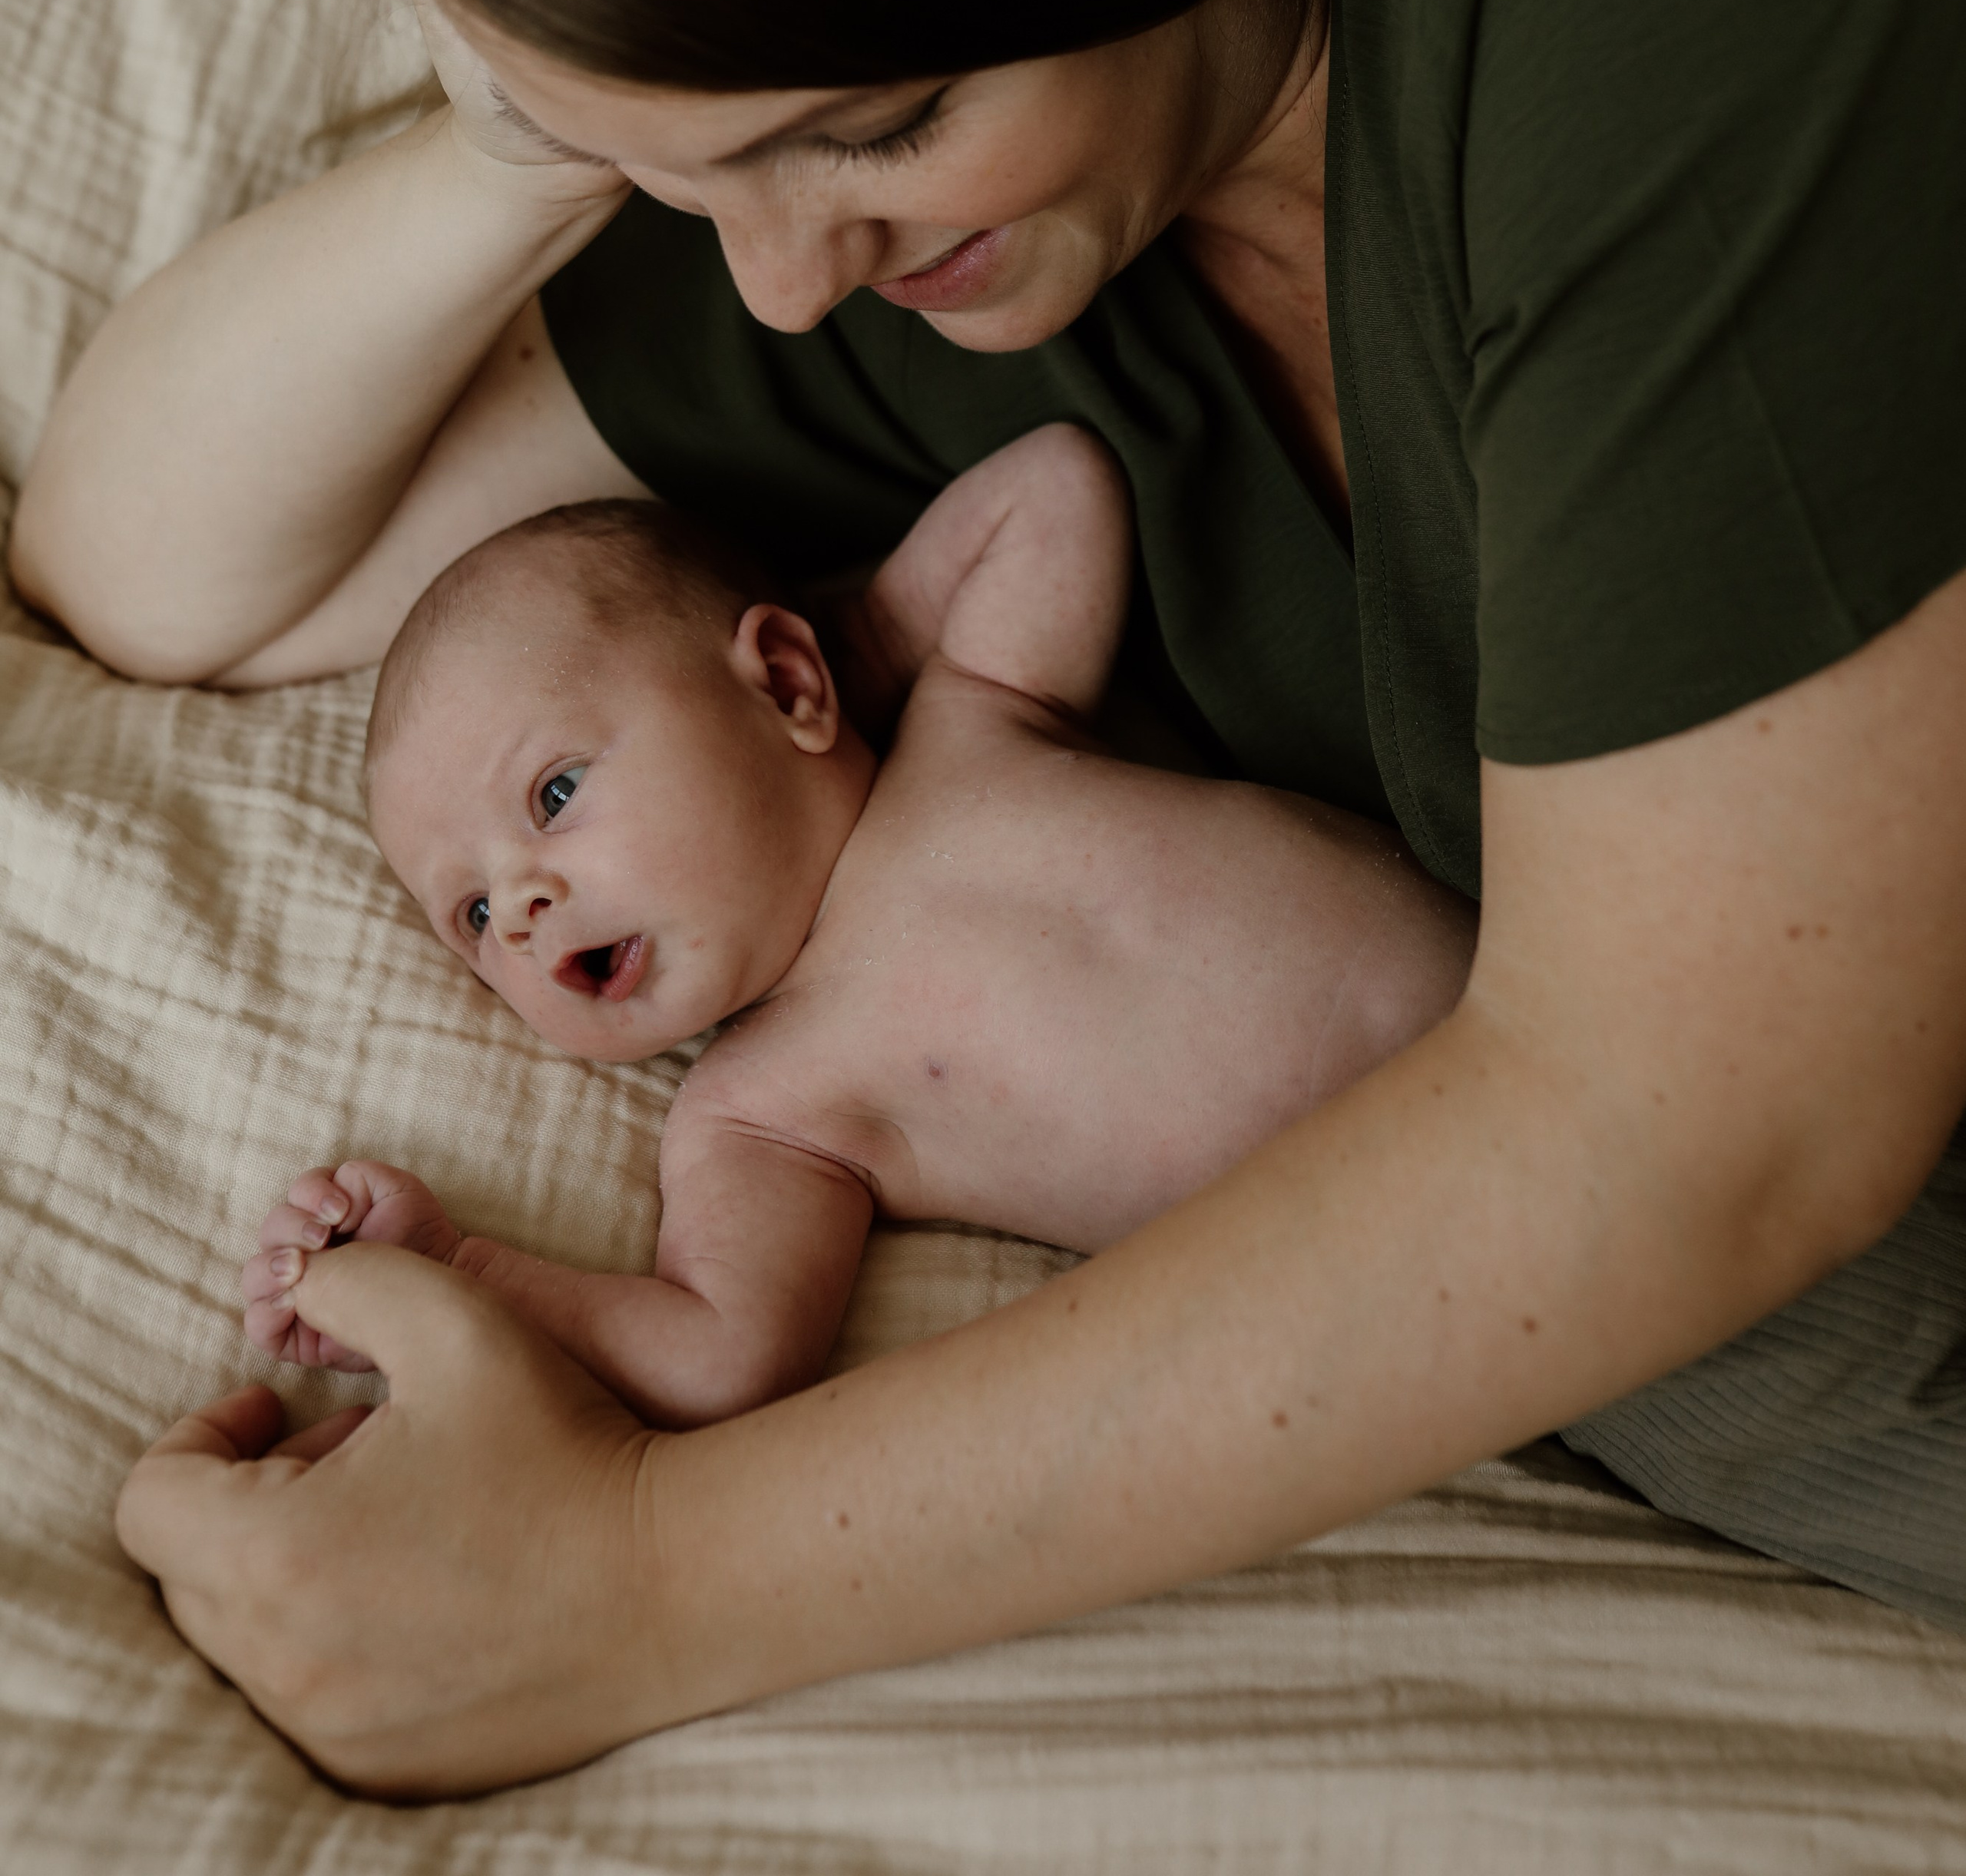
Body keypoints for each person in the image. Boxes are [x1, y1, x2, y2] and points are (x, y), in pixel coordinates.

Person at [10, 0, 1966, 1798]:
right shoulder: (974, 256)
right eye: (701, 172)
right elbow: (160, 560)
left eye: (872, 121)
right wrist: (554, 98)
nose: (783, 275)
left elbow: (1713, 1116)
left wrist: (634, 1592)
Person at [244, 442, 1473, 1418]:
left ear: (784, 681)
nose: (518, 909)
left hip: (1573, 1006)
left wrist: (862, 652)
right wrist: (463, 1275)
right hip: (1470, 1249)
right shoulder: (763, 1112)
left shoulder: (973, 721)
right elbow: (722, 1358)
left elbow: (1054, 485)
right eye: (470, 914)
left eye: (555, 796)